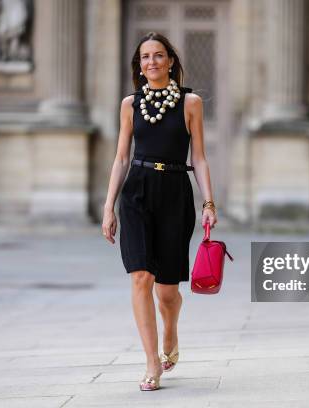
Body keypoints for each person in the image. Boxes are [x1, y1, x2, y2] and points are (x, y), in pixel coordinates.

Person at [101, 32, 218, 391]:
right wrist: (109, 207)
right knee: (140, 277)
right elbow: (121, 157)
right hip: (136, 190)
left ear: (170, 61)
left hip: (174, 194)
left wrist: (208, 202)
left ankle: (171, 331)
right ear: (139, 65)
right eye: (145, 57)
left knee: (167, 292)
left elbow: (198, 156)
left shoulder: (190, 102)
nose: (151, 62)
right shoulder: (129, 104)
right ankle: (152, 362)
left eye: (158, 55)